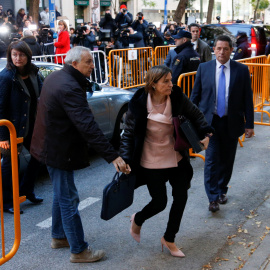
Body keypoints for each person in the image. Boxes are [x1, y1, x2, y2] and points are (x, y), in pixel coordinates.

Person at [30, 46, 129, 263]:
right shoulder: (69, 86)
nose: (93, 66)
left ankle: (59, 236)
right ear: (74, 64)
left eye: (92, 61)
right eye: (88, 62)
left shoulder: (57, 77)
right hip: (57, 150)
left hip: (51, 147)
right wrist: (113, 156)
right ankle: (78, 250)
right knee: (68, 198)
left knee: (61, 194)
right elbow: (88, 126)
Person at [119, 65, 213, 257]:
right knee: (159, 202)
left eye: (171, 79)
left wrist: (206, 133)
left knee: (181, 196)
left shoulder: (177, 96)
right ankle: (138, 219)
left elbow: (196, 114)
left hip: (176, 156)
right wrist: (126, 158)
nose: (171, 84)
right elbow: (128, 134)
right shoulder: (138, 103)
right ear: (153, 84)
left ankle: (169, 238)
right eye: (166, 81)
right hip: (151, 159)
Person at [190, 35, 254, 212]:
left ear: (231, 50)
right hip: (209, 123)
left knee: (227, 160)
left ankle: (221, 190)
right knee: (211, 160)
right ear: (214, 49)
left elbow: (247, 99)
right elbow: (195, 96)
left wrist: (250, 124)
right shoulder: (204, 68)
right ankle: (212, 198)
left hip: (231, 122)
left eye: (225, 49)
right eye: (218, 48)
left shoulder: (241, 70)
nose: (222, 52)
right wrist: (190, 121)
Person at [0, 40, 44, 214]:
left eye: (21, 54)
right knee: (10, 165)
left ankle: (27, 190)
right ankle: (7, 202)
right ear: (10, 56)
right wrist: (2, 137)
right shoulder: (6, 77)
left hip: (31, 125)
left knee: (38, 156)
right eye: (14, 55)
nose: (17, 58)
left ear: (28, 56)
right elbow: (1, 107)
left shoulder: (33, 72)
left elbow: (41, 95)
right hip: (13, 128)